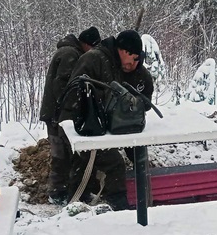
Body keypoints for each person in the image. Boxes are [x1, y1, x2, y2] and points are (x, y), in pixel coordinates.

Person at [61, 30, 154, 210]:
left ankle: (142, 198)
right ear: (124, 51)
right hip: (84, 125)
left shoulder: (122, 65)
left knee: (138, 152)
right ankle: (118, 207)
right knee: (113, 163)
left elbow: (143, 101)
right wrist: (106, 102)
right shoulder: (94, 59)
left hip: (109, 126)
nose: (134, 63)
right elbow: (74, 95)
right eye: (133, 58)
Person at [39, 26, 101, 204]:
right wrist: (72, 107)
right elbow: (63, 85)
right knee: (63, 154)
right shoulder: (70, 54)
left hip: (53, 112)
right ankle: (59, 193)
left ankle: (63, 190)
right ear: (87, 44)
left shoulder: (68, 51)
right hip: (56, 114)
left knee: (62, 154)